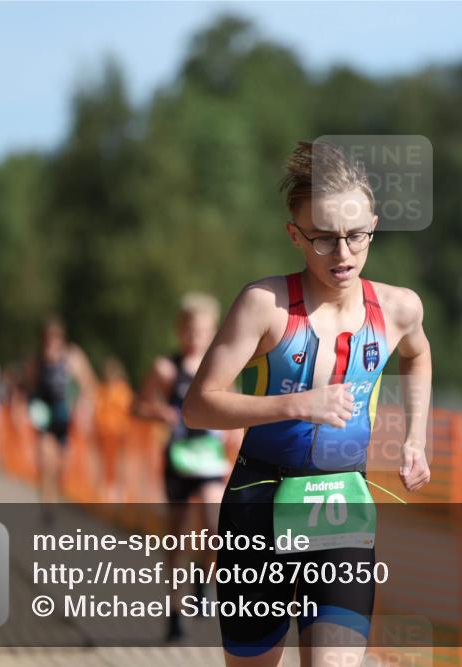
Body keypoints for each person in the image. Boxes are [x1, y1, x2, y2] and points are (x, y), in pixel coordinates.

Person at [182, 141, 432, 666]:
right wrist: (296, 406)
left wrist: (415, 439)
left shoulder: (399, 308)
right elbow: (199, 407)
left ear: (374, 226)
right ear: (294, 234)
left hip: (340, 507)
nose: (342, 254)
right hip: (258, 505)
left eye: (356, 236)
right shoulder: (265, 307)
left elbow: (418, 356)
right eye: (323, 239)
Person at [132, 292, 234, 640]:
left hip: (208, 459)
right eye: (189, 330)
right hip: (178, 459)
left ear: (213, 331)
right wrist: (158, 412)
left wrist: (231, 433)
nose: (195, 337)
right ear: (180, 330)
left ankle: (203, 580)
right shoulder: (165, 368)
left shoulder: (220, 366)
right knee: (175, 540)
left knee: (214, 522)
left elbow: (231, 408)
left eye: (203, 330)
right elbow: (137, 406)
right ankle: (174, 615)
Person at [26, 317, 96, 511]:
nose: (50, 342)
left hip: (65, 416)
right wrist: (28, 408)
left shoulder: (72, 357)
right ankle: (47, 505)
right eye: (47, 338)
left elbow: (88, 385)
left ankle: (56, 495)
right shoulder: (37, 360)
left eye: (54, 337)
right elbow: (29, 388)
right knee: (44, 459)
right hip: (44, 416)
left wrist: (83, 407)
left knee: (61, 466)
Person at [93, 357, 133, 502]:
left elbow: (126, 410)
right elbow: (97, 409)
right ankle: (104, 491)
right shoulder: (102, 389)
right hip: (103, 432)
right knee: (103, 462)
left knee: (118, 463)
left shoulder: (122, 390)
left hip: (118, 433)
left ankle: (118, 492)